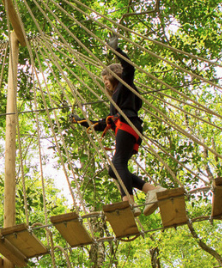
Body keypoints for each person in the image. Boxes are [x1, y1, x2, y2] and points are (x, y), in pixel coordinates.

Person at [70, 35, 165, 215]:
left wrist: (116, 51)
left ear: (116, 76)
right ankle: (152, 190)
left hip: (128, 125)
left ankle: (128, 201)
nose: (105, 82)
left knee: (117, 163)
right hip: (127, 127)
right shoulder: (116, 100)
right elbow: (102, 123)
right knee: (115, 171)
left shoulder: (124, 85)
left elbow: (129, 68)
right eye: (104, 79)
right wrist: (79, 121)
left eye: (107, 77)